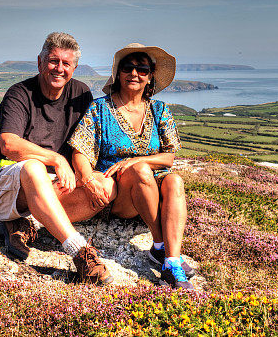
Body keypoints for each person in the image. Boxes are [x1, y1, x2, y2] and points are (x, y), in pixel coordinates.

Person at [0, 32, 114, 284]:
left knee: (105, 185)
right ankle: (80, 253)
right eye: (53, 61)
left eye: (66, 63)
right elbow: (8, 144)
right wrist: (56, 159)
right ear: (40, 63)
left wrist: (86, 175)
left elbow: (84, 143)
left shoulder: (80, 94)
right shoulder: (19, 94)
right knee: (34, 168)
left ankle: (23, 223)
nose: (59, 68)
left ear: (74, 68)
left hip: (46, 189)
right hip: (3, 183)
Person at [68, 43, 195, 289]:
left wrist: (135, 160)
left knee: (175, 180)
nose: (134, 74)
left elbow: (168, 158)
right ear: (118, 73)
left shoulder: (159, 110)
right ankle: (160, 245)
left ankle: (170, 260)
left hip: (154, 192)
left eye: (142, 69)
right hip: (120, 195)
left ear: (150, 77)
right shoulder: (100, 109)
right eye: (128, 67)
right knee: (139, 171)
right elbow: (79, 150)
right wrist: (88, 179)